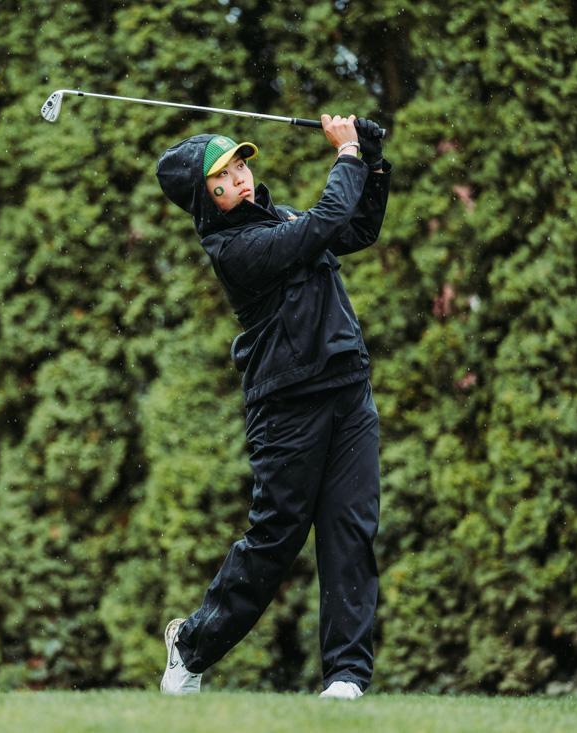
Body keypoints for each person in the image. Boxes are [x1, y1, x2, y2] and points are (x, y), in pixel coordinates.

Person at [154, 114, 392, 699]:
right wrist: (348, 155)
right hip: (287, 408)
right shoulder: (235, 248)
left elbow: (355, 228)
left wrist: (375, 161)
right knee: (274, 541)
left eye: (239, 166)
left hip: (347, 388)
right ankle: (192, 646)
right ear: (204, 201)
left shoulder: (280, 216)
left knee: (350, 532)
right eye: (221, 179)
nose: (238, 179)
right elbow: (328, 219)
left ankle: (345, 678)